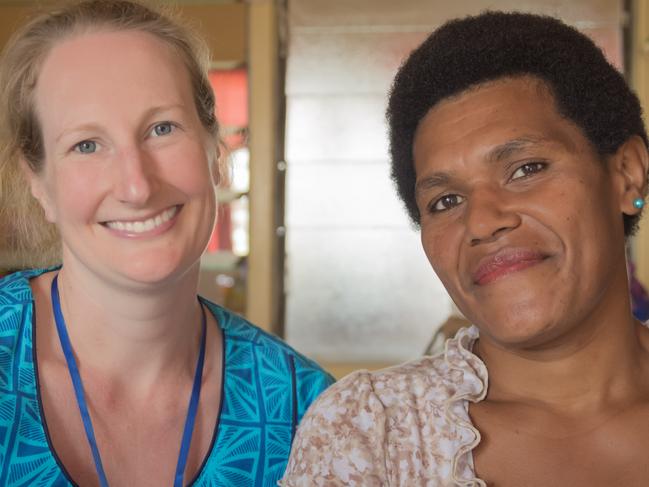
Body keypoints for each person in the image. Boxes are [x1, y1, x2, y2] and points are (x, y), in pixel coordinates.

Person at [282, 11, 649, 487]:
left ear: (627, 173)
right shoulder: (373, 435)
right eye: (446, 201)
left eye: (526, 169)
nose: (482, 221)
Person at [0, 1, 333, 485]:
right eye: (86, 145)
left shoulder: (309, 414)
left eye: (162, 129)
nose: (136, 186)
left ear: (215, 153)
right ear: (39, 184)